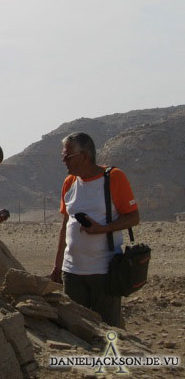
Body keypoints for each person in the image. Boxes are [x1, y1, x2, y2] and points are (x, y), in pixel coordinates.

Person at [50, 132, 140, 327]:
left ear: (85, 155)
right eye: (63, 156)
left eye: (68, 156)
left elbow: (133, 217)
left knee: (108, 330)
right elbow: (65, 225)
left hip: (105, 270)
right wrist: (58, 266)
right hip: (72, 272)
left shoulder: (114, 178)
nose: (64, 160)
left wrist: (103, 229)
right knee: (76, 329)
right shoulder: (69, 183)